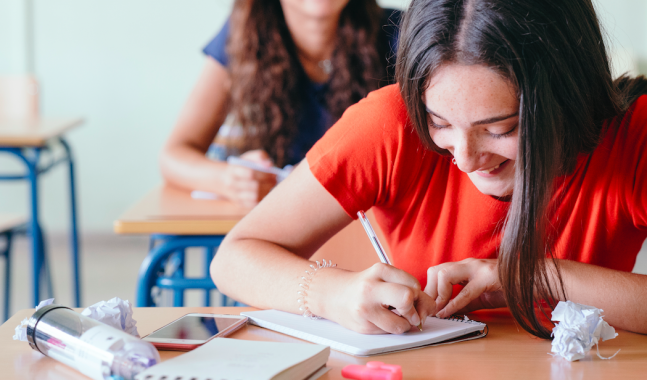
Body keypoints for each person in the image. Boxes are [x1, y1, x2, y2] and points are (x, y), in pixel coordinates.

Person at [211, 0, 647, 339]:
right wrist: (332, 294)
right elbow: (234, 258)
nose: (465, 159)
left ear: (567, 97)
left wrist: (532, 276)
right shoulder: (391, 122)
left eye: (500, 129)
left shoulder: (634, 135)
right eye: (439, 124)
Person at [160, 0, 401, 207]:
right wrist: (230, 179)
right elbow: (174, 155)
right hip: (283, 230)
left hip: (373, 229)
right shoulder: (243, 33)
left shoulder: (403, 32)